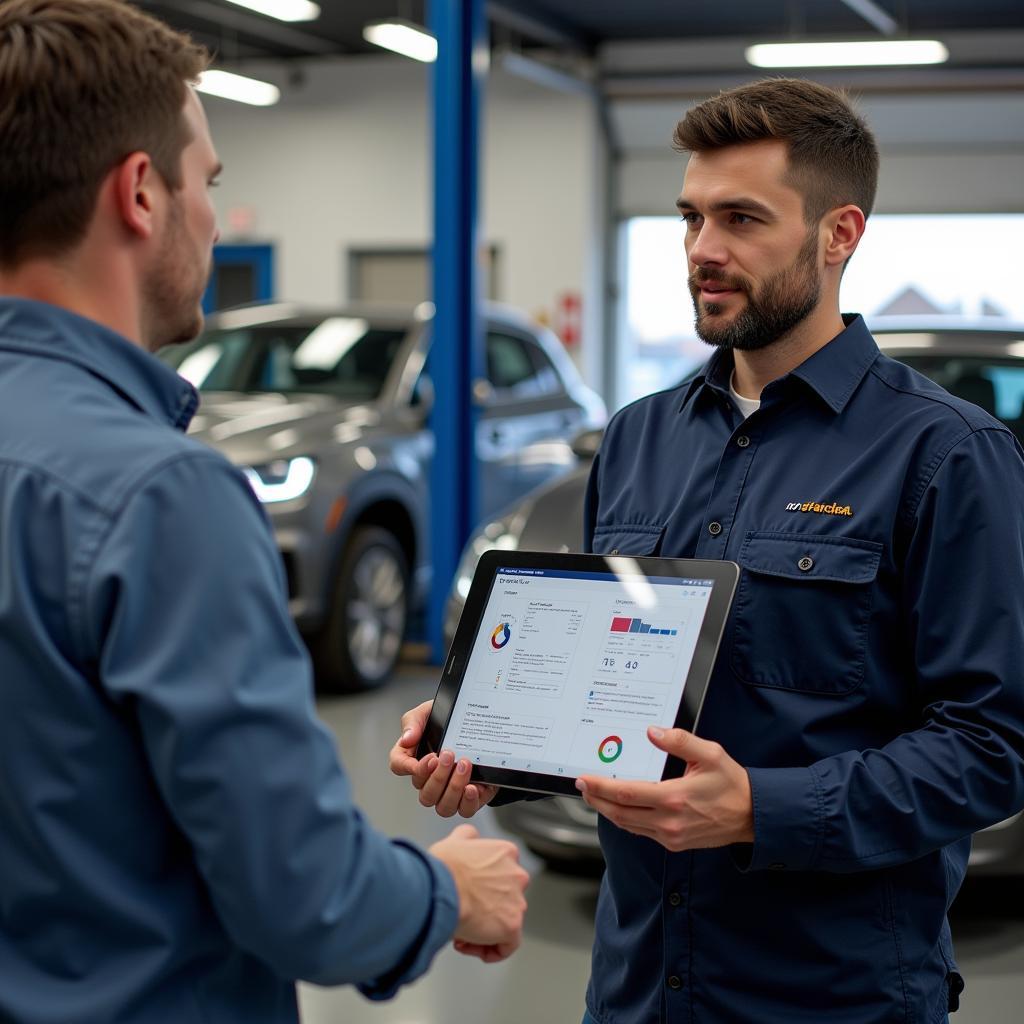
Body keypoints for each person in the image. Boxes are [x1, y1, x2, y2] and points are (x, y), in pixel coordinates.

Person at [391, 77, 1024, 1022]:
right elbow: (611, 687)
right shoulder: (639, 438)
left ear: (839, 233)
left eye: (741, 219)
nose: (703, 252)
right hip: (640, 986)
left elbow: (994, 745)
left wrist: (761, 809)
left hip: (831, 996)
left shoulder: (945, 454)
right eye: (690, 217)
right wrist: (493, 749)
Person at [0, 2, 529, 1022]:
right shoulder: (161, 494)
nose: (210, 214)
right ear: (142, 193)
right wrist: (451, 887)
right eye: (210, 183)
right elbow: (305, 893)